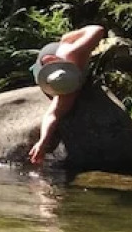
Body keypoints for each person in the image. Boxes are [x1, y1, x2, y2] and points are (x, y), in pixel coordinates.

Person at [28, 24, 107, 166]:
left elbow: (98, 29)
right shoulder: (72, 54)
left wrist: (43, 143)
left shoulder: (74, 53)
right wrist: (42, 143)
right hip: (41, 65)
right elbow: (53, 115)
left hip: (62, 53)